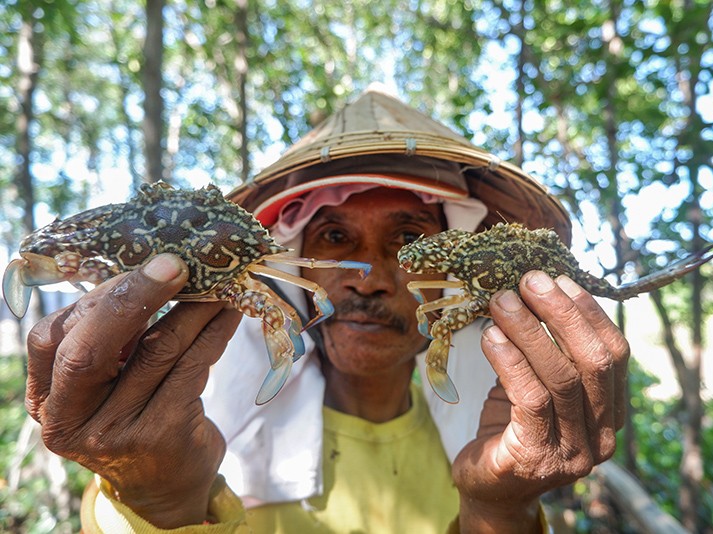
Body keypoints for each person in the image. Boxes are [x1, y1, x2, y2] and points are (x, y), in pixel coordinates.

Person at [24, 86, 629, 533]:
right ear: (296, 267)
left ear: (452, 272)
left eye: (408, 240)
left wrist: (501, 507)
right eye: (335, 237)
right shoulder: (178, 447)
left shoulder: (499, 444)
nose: (370, 280)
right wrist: (159, 500)